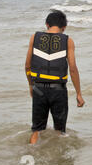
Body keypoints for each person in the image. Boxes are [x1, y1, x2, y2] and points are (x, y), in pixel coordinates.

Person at [24, 10, 85, 144]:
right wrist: (79, 94)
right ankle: (59, 160)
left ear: (47, 24)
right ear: (64, 27)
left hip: (39, 88)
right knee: (60, 131)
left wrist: (31, 85)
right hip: (58, 90)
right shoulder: (68, 41)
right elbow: (73, 69)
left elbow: (27, 66)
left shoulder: (34, 37)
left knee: (36, 130)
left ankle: (31, 154)